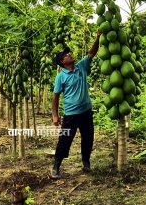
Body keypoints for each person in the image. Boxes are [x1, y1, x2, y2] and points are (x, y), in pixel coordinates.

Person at [50, 30, 101, 179]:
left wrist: (97, 37)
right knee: (65, 139)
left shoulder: (81, 66)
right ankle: (56, 166)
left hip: (86, 111)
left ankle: (86, 163)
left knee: (88, 137)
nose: (69, 55)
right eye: (65, 55)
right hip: (71, 114)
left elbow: (92, 52)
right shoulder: (60, 77)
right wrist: (55, 115)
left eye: (68, 54)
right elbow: (55, 97)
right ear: (62, 62)